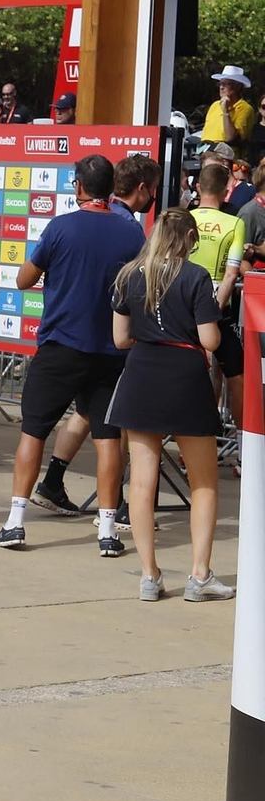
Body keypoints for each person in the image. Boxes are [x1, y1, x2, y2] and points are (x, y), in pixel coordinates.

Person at [0, 154, 145, 553]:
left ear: (78, 187)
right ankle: (108, 532)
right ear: (111, 188)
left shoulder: (61, 227)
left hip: (60, 346)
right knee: (109, 441)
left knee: (34, 430)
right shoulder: (133, 235)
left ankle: (15, 522)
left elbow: (24, 279)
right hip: (112, 352)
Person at [105, 207, 234, 602]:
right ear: (190, 238)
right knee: (204, 483)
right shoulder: (195, 276)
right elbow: (210, 340)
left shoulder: (129, 274)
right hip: (184, 378)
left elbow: (120, 339)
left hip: (141, 374)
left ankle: (149, 575)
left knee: (141, 483)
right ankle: (199, 575)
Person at [189, 162, 246, 424]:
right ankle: (246, 444)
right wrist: (215, 309)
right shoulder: (234, 223)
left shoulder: (183, 217)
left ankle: (188, 437)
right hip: (218, 304)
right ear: (226, 191)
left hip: (183, 300)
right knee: (235, 372)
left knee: (193, 370)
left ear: (199, 187)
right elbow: (232, 273)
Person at [204, 66, 256, 146]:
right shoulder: (215, 105)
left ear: (238, 86)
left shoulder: (245, 109)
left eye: (226, 84)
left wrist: (225, 111)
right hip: (205, 150)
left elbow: (231, 138)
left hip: (226, 153)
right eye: (220, 83)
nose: (221, 87)